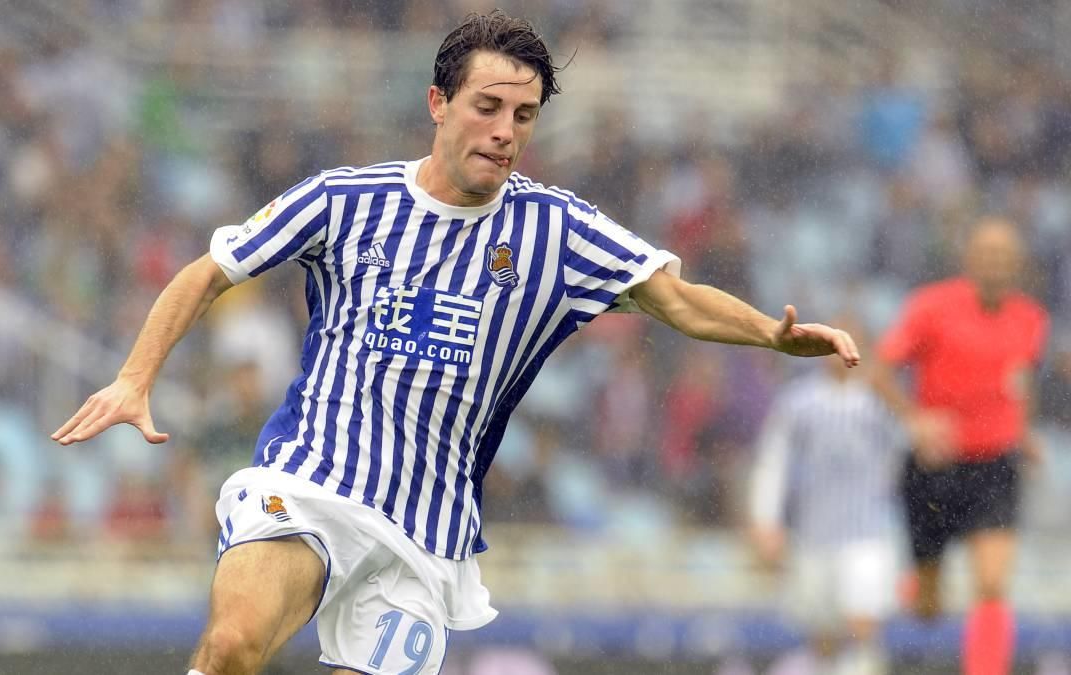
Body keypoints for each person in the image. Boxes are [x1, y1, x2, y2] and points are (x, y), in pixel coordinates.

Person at [51, 11, 859, 675]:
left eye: (523, 116)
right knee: (231, 645)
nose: (506, 131)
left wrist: (770, 334)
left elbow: (675, 299)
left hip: (424, 538)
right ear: (438, 102)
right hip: (309, 483)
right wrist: (134, 378)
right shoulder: (345, 199)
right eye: (488, 107)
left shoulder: (557, 229)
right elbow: (209, 272)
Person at [873, 218, 1048, 675]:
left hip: (995, 466)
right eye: (987, 253)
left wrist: (1022, 432)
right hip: (935, 466)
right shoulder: (930, 307)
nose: (996, 263)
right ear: (969, 259)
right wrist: (916, 420)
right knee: (928, 609)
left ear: (1018, 264)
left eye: (1004, 255)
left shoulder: (1030, 319)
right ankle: (920, 584)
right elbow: (880, 369)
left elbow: (1020, 381)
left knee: (991, 583)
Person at [749, 322, 903, 675]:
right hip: (813, 535)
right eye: (833, 343)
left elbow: (903, 457)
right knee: (823, 638)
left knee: (862, 628)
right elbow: (773, 462)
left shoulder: (880, 402)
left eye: (851, 343)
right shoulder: (799, 402)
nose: (841, 352)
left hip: (868, 534)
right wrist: (766, 520)